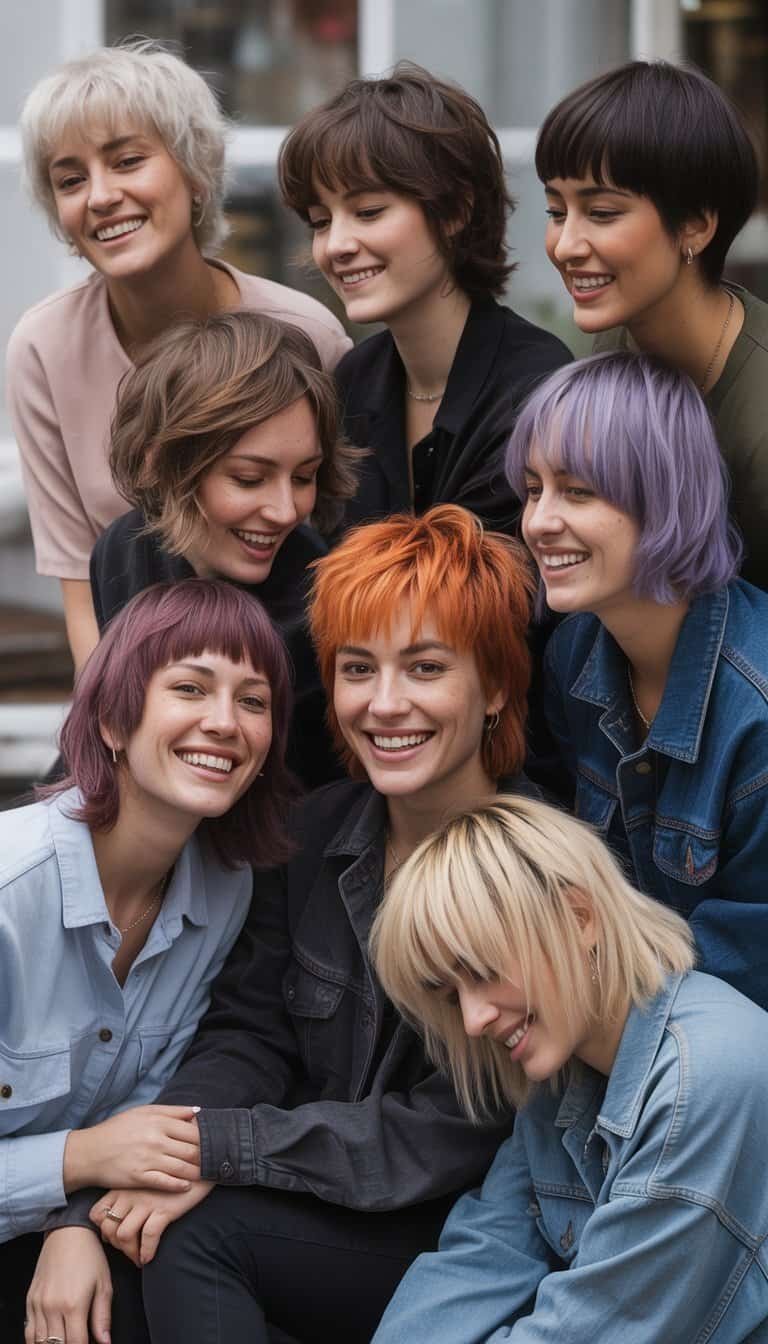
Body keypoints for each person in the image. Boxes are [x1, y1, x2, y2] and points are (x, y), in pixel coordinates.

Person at [73, 505, 539, 1344]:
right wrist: (152, 1167)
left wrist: (226, 1153)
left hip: (449, 1230)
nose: (385, 704)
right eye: (358, 669)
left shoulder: (535, 864)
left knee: (193, 1240)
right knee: (115, 1245)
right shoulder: (316, 829)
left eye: (425, 667)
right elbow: (251, 1031)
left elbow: (458, 1124)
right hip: (305, 1186)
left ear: (497, 684)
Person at [0, 577, 294, 1344]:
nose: (224, 723)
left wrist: (75, 1223)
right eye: (191, 688)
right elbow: (107, 1141)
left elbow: (150, 1112)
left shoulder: (223, 891)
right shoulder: (8, 894)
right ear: (111, 719)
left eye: (254, 701)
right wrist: (82, 1158)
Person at [368, 795, 768, 1343]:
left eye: (481, 971)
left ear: (579, 918)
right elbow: (475, 1263)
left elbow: (584, 1331)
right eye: (449, 994)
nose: (472, 1020)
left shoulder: (703, 1081)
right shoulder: (565, 1080)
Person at [7, 39, 351, 674]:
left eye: (128, 161)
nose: (101, 196)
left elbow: (336, 547)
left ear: (194, 173)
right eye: (71, 180)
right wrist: (109, 743)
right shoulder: (42, 347)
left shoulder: (305, 333)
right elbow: (81, 592)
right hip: (130, 689)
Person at [506, 350, 768, 1011]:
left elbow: (752, 964)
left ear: (666, 497)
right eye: (533, 489)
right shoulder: (575, 650)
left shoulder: (756, 710)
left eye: (579, 491)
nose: (538, 522)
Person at [278, 63, 570, 538]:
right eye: (320, 221)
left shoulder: (537, 389)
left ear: (456, 208)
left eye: (368, 212)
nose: (336, 246)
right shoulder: (353, 379)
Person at [91, 309, 359, 786]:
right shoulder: (121, 551)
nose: (283, 510)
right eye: (248, 478)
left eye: (304, 477)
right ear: (163, 463)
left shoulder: (319, 611)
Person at [536, 58, 768, 588]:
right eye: (556, 212)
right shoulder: (620, 334)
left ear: (696, 225)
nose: (566, 246)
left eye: (602, 213)